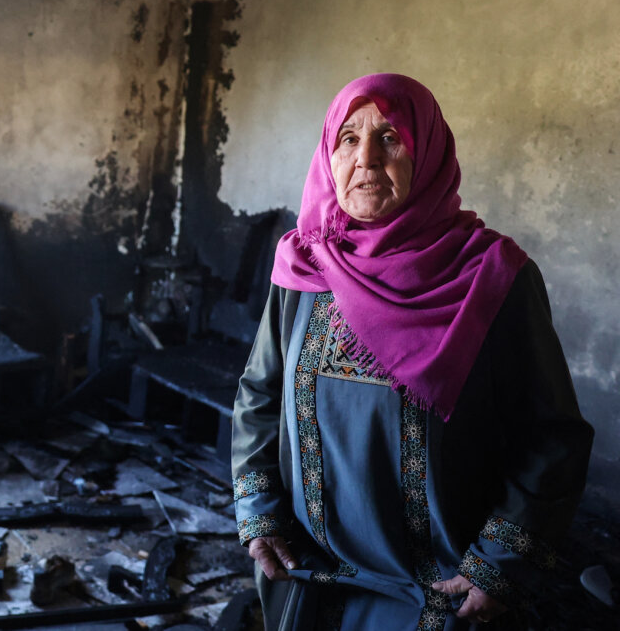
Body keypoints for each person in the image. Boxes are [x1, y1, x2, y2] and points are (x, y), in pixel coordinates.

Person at [231, 73, 593, 630]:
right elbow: (259, 393)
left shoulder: (492, 277)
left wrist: (501, 562)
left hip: (439, 593)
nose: (367, 159)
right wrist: (259, 514)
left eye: (391, 137)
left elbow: (551, 437)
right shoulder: (303, 267)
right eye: (348, 138)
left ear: (428, 155)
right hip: (310, 579)